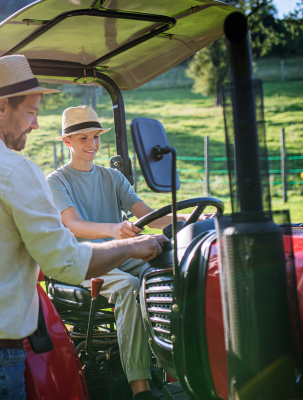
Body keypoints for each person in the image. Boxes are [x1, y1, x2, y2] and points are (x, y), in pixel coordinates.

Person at [0, 55, 167, 400]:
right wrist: (134, 246)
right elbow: (66, 262)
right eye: (30, 112)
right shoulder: (16, 171)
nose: (36, 124)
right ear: (2, 108)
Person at [46, 105, 211, 399]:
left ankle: (184, 369)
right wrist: (114, 230)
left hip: (120, 253)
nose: (92, 144)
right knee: (128, 285)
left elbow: (148, 214)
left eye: (95, 137)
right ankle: (140, 387)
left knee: (172, 270)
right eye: (83, 138)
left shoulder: (112, 178)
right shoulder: (56, 181)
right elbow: (73, 225)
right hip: (83, 260)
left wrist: (187, 219)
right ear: (67, 142)